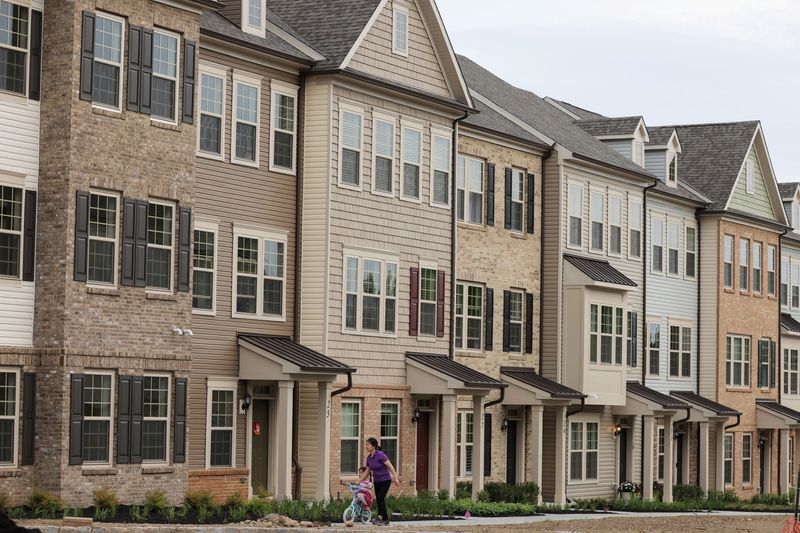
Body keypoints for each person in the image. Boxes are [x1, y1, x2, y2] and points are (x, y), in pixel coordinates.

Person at [360, 437, 399, 526]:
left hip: (385, 480)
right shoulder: (369, 457)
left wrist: (395, 478)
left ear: (374, 446)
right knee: (379, 500)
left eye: (368, 444)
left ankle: (380, 517)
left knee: (381, 497)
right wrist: (360, 480)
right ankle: (385, 520)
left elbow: (390, 466)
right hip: (377, 481)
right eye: (366, 444)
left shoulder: (380, 455)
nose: (366, 446)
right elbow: (367, 471)